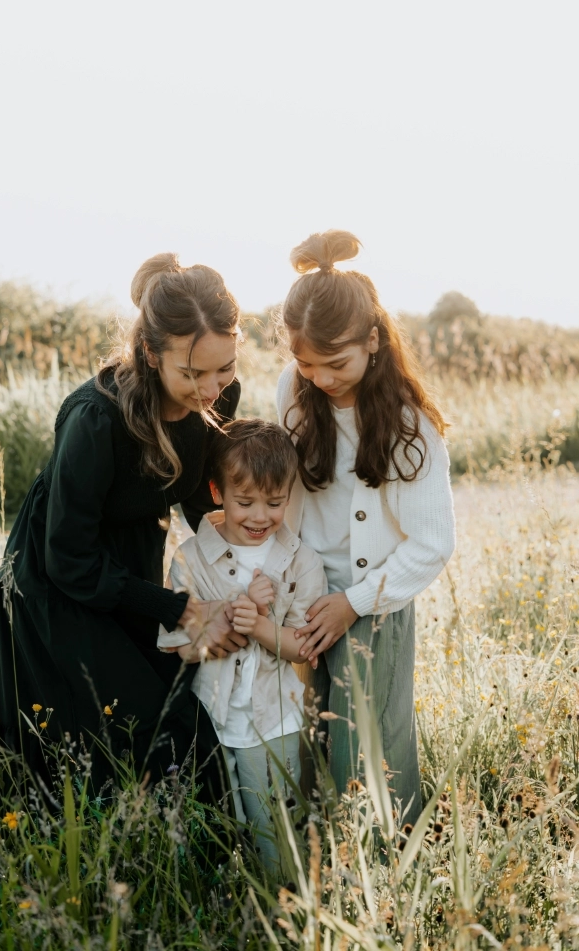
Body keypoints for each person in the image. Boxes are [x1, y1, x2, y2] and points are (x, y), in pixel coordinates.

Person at [0, 253, 247, 804]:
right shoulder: (95, 420)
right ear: (150, 353)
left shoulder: (215, 397)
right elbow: (68, 554)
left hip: (128, 570)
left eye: (226, 367)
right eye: (192, 374)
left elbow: (196, 494)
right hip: (58, 581)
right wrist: (182, 609)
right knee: (116, 725)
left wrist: (238, 573)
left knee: (168, 718)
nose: (212, 388)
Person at [276, 230, 456, 824]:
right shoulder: (294, 391)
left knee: (369, 742)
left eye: (336, 363)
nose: (321, 377)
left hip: (372, 600)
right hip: (300, 592)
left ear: (373, 340)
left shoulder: (408, 425)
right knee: (300, 726)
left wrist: (352, 603)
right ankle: (313, 856)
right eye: (305, 362)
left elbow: (432, 544)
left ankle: (382, 858)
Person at [157, 419, 326, 870]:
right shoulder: (190, 558)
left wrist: (258, 626)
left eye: (274, 503)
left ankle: (283, 911)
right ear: (217, 492)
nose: (259, 517)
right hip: (207, 721)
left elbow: (304, 647)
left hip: (274, 725)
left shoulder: (300, 561)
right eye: (245, 501)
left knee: (276, 837)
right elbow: (178, 646)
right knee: (205, 835)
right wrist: (232, 612)